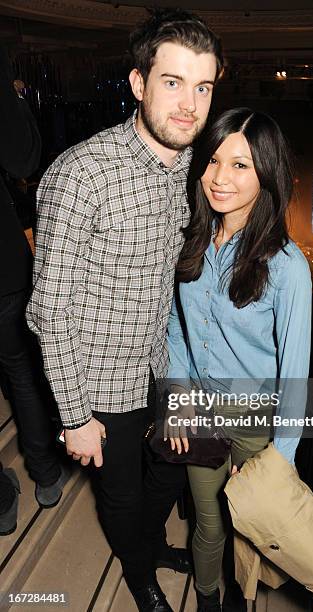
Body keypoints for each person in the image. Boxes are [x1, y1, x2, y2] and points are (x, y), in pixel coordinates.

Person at [26, 8, 224, 611]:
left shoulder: (193, 167)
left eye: (203, 87)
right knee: (123, 494)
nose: (189, 104)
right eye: (172, 82)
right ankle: (140, 574)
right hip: (100, 382)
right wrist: (75, 416)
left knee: (170, 471)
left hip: (160, 366)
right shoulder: (80, 175)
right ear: (138, 84)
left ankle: (146, 542)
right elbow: (49, 311)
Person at [166, 107, 311, 612]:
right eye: (212, 161)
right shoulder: (191, 237)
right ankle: (208, 602)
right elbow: (174, 326)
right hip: (201, 412)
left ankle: (238, 600)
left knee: (245, 528)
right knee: (208, 523)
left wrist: (282, 459)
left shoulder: (288, 267)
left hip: (256, 423)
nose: (219, 178)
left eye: (240, 165)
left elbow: (295, 373)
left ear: (266, 173)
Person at [0, 43, 69, 529]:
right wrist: (12, 95)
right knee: (21, 370)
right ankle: (45, 474)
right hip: (2, 273)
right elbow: (23, 157)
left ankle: (2, 506)